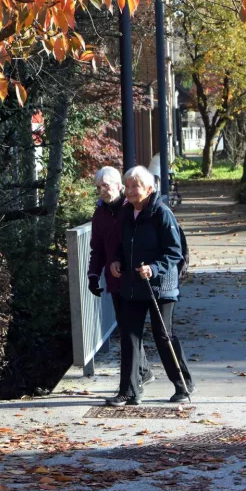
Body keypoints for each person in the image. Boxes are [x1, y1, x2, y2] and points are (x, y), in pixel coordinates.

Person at [109, 166, 194, 403]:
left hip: (161, 286)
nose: (130, 191)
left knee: (163, 335)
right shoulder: (127, 213)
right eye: (127, 186)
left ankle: (183, 384)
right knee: (129, 336)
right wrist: (116, 261)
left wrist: (154, 268)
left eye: (135, 186)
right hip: (133, 284)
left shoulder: (161, 213)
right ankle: (128, 391)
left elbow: (174, 252)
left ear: (149, 188)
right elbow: (121, 244)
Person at [86, 166, 154, 406]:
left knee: (129, 332)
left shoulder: (131, 209)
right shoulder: (100, 213)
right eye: (99, 187)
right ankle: (142, 373)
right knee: (127, 331)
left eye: (106, 186)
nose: (103, 191)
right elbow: (97, 248)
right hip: (115, 281)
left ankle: (132, 385)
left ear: (118, 186)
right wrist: (93, 275)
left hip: (134, 278)